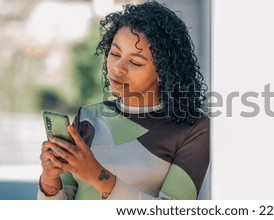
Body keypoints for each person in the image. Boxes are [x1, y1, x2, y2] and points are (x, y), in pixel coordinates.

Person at [38, 1, 209, 200]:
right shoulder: (87, 117)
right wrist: (49, 180)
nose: (118, 68)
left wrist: (98, 176)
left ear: (164, 72)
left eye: (135, 62)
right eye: (115, 53)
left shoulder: (194, 130)